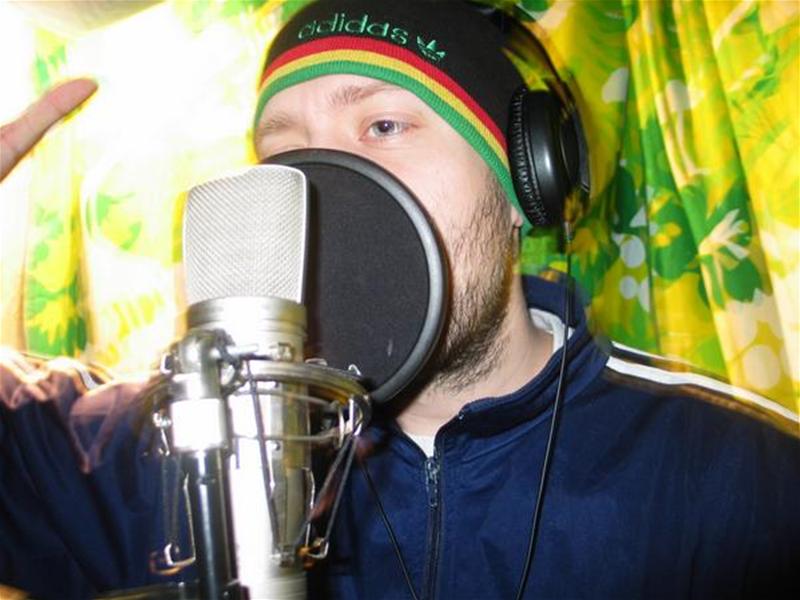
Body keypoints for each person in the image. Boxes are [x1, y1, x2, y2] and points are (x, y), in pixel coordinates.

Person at [0, 1, 798, 599]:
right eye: (287, 151)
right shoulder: (190, 441)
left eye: (383, 125)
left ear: (525, 184)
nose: (327, 190)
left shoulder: (745, 478)